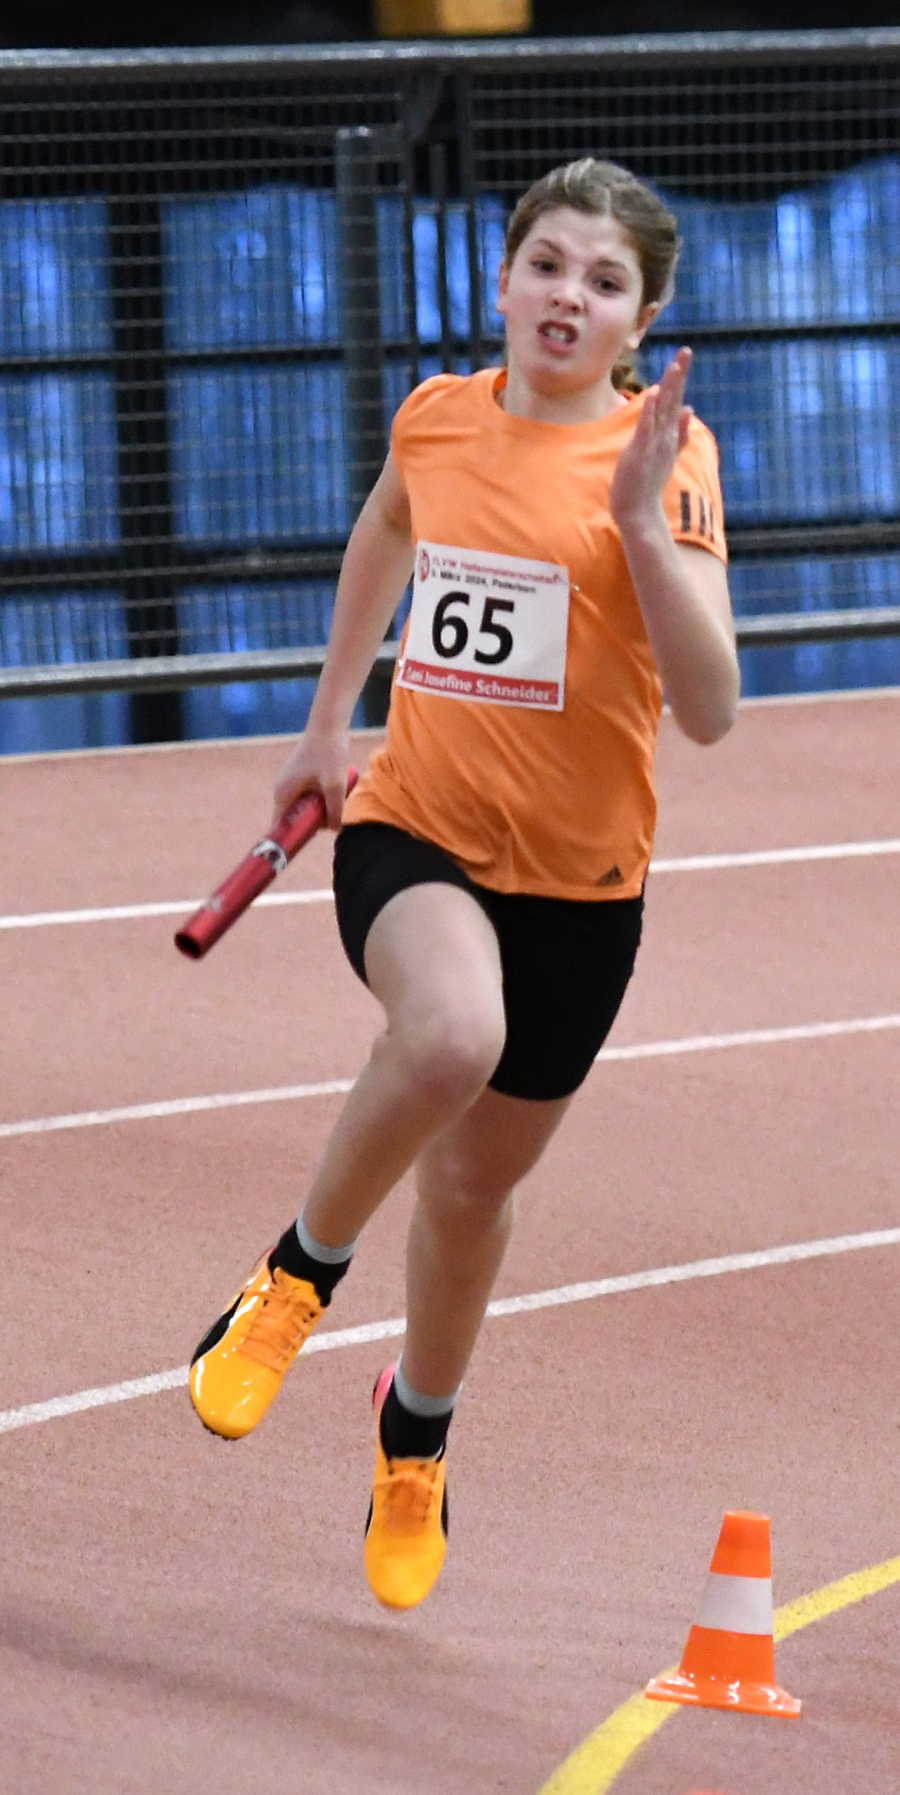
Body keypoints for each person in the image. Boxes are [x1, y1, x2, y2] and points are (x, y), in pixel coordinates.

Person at [189, 156, 739, 1611]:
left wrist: (630, 522)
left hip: (586, 888)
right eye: (547, 264)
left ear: (644, 317)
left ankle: (413, 1436)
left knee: (478, 1192)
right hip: (414, 830)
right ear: (503, 280)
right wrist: (323, 724)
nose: (569, 294)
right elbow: (386, 524)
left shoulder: (668, 461)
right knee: (445, 1037)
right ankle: (292, 1284)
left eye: (605, 280)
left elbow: (713, 706)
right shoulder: (437, 417)